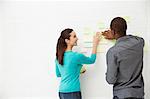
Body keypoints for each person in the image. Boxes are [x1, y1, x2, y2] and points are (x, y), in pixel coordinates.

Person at [102, 17, 145, 99]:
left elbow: (110, 80)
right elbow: (139, 38)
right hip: (138, 94)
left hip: (122, 95)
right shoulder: (139, 42)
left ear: (113, 31)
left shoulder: (113, 52)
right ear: (126, 28)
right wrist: (117, 35)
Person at [55, 28, 100, 99]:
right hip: (73, 92)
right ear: (67, 41)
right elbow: (92, 60)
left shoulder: (58, 57)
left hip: (62, 91)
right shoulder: (76, 56)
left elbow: (58, 74)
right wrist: (95, 43)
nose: (77, 38)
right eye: (74, 36)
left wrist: (77, 68)